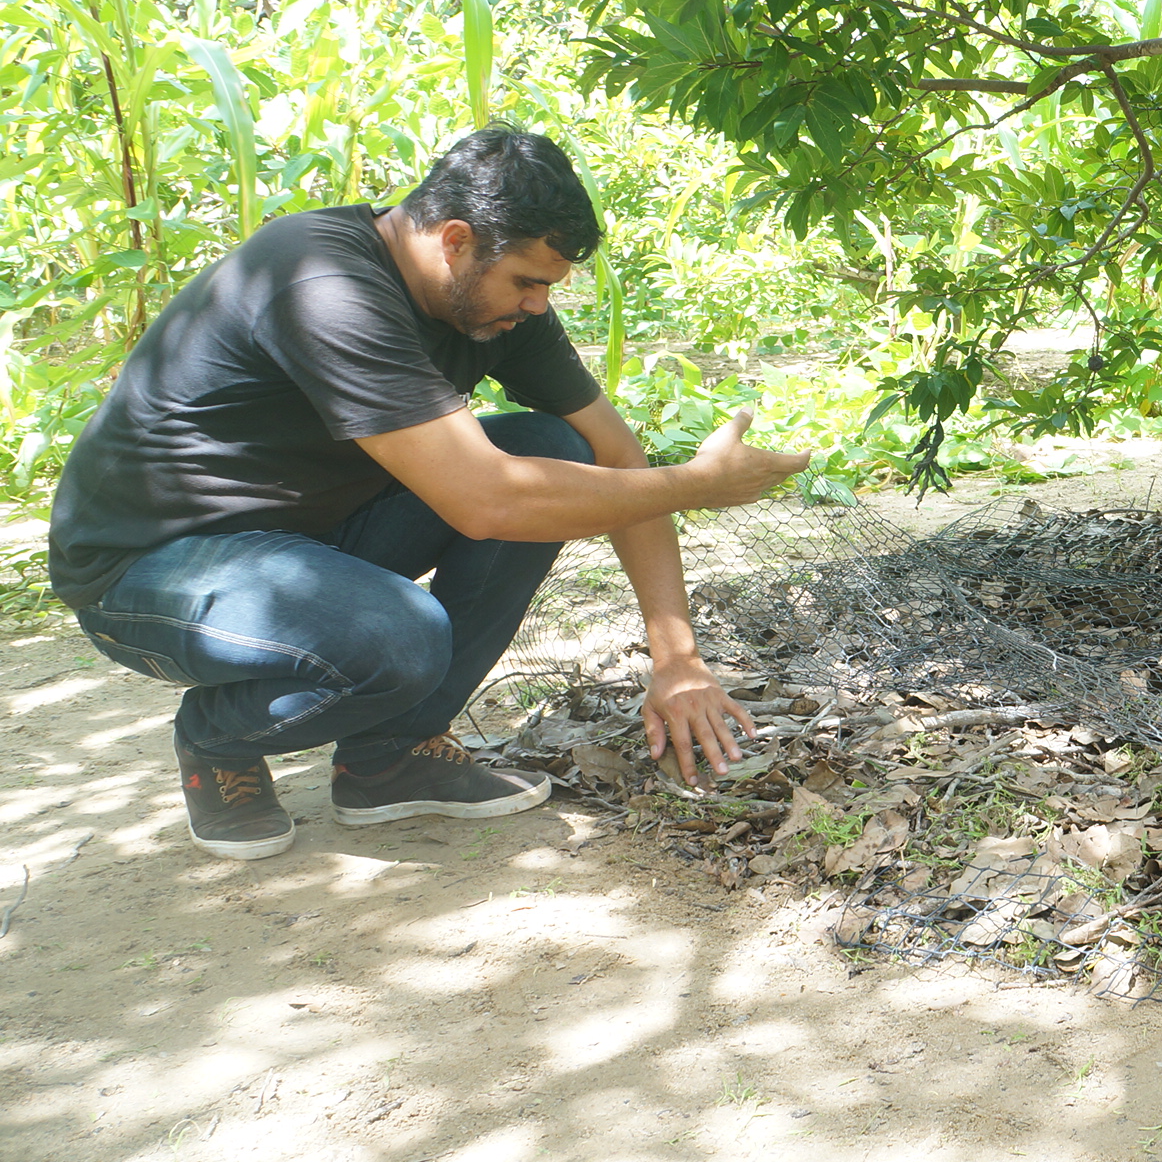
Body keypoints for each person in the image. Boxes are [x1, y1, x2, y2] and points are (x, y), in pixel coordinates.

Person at [45, 125, 809, 859]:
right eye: (528, 282)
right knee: (399, 634)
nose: (539, 304)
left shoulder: (498, 304)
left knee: (553, 446)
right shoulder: (320, 283)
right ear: (454, 240)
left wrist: (678, 658)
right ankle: (216, 737)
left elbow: (618, 460)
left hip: (309, 542)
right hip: (148, 570)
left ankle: (383, 763)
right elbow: (489, 501)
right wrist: (701, 486)